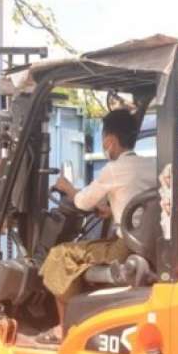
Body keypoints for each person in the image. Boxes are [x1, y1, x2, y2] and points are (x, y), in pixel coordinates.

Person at [38, 109, 157, 342]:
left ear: (110, 140)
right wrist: (110, 210)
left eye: (104, 139)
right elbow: (140, 205)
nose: (104, 145)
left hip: (124, 248)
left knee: (59, 255)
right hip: (148, 244)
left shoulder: (114, 169)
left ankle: (65, 327)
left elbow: (82, 202)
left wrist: (68, 188)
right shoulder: (152, 166)